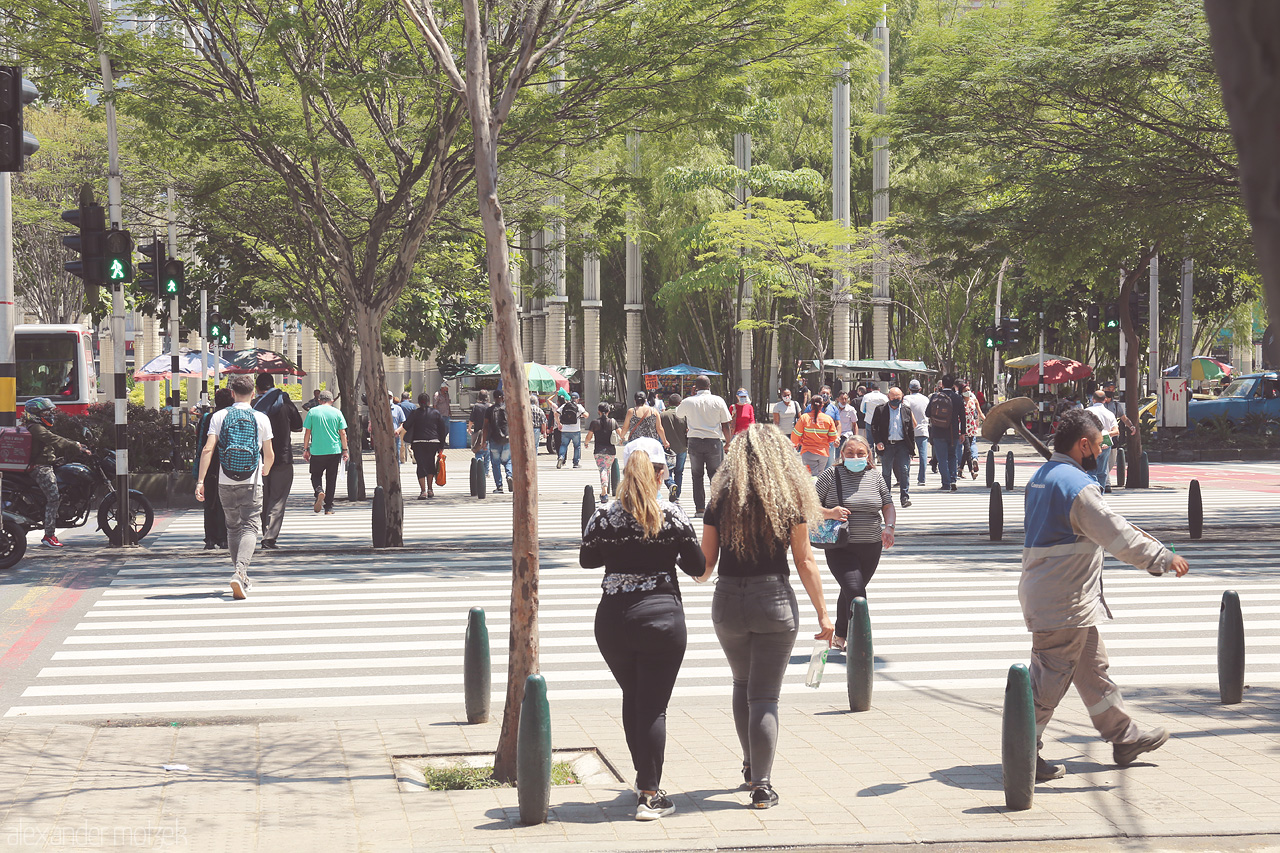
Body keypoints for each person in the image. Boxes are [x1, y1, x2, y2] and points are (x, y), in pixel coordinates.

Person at [1021, 409, 1190, 782]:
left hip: (1059, 595)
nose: (1102, 451)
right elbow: (1118, 534)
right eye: (1100, 445)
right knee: (1048, 682)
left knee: (1092, 670)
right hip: (1064, 602)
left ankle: (1124, 737)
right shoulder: (1077, 487)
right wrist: (1163, 558)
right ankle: (1021, 751)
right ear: (1084, 445)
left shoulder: (1043, 477)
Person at [697, 425, 834, 809]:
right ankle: (762, 785)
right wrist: (824, 614)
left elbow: (705, 565)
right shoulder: (788, 499)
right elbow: (805, 560)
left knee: (742, 683)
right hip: (773, 599)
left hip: (727, 601)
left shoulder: (720, 499)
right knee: (765, 696)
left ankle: (748, 766)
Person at [580, 437, 704, 821]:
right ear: (660, 474)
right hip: (661, 617)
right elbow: (697, 566)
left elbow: (588, 560)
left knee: (633, 696)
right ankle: (649, 794)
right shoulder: (672, 514)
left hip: (614, 619)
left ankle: (642, 778)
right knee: (653, 706)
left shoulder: (604, 515)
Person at [196, 374, 274, 600]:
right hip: (252, 479)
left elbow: (208, 449)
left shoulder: (219, 416)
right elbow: (269, 453)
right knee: (250, 526)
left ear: (231, 394)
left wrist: (200, 481)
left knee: (232, 527)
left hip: (225, 479)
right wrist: (265, 470)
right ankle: (240, 572)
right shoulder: (261, 417)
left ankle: (240, 573)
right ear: (253, 394)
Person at [813, 436, 895, 650]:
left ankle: (840, 635)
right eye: (850, 453)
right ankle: (860, 641)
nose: (855, 457)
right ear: (842, 455)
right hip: (840, 547)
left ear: (868, 454)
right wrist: (830, 512)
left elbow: (887, 505)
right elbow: (808, 504)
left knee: (849, 591)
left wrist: (889, 528)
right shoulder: (831, 475)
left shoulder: (875, 477)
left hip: (871, 546)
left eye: (860, 453)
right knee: (856, 593)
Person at [21, 397, 90, 549]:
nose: (49, 415)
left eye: (49, 411)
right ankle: (49, 535)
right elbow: (54, 440)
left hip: (46, 464)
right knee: (53, 498)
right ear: (35, 413)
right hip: (40, 468)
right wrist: (75, 445)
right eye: (45, 412)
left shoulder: (37, 426)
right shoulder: (35, 428)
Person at [253, 373, 303, 550]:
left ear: (257, 388)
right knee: (278, 499)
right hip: (282, 457)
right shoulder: (286, 404)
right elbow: (298, 425)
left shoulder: (254, 406)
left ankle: (265, 530)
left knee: (263, 498)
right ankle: (269, 537)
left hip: (259, 459)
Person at [674, 375, 732, 518]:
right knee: (715, 475)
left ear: (695, 387)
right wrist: (729, 442)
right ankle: (716, 507)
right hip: (713, 441)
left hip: (694, 442)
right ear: (709, 385)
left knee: (697, 476)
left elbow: (678, 414)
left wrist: (691, 396)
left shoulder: (689, 401)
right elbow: (726, 424)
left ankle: (700, 509)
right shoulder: (718, 400)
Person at [195, 388, 234, 549]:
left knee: (209, 502)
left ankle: (210, 538)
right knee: (226, 503)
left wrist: (199, 475)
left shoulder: (208, 417)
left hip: (210, 464)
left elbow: (201, 443)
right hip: (229, 464)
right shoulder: (233, 416)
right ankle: (224, 537)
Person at [302, 389, 348, 515]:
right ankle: (329, 507)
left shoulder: (312, 412)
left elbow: (307, 432)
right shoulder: (337, 413)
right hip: (334, 450)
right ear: (332, 401)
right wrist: (345, 450)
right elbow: (343, 433)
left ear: (319, 400)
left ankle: (319, 491)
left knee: (316, 475)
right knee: (331, 478)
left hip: (317, 450)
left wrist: (306, 449)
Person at [870, 387, 916, 508]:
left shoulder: (906, 410)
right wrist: (878, 442)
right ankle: (886, 498)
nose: (896, 400)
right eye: (893, 397)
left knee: (905, 470)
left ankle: (904, 497)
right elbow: (874, 427)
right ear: (888, 397)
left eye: (898, 398)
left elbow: (910, 430)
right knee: (886, 472)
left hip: (902, 445)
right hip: (887, 445)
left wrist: (912, 448)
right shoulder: (880, 409)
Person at [925, 374, 966, 492]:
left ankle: (946, 482)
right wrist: (962, 433)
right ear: (953, 384)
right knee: (952, 456)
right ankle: (953, 479)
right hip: (953, 433)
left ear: (942, 384)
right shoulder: (958, 398)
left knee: (942, 458)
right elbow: (963, 417)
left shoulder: (935, 397)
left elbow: (927, 413)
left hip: (938, 432)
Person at [404, 392, 447, 499]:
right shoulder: (436, 413)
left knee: (421, 465)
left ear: (418, 402)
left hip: (418, 442)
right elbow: (443, 430)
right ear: (429, 402)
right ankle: (430, 489)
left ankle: (423, 491)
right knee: (430, 464)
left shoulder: (415, 413)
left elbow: (406, 425)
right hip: (433, 442)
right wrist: (441, 446)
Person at [790, 396, 839, 476]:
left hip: (808, 452)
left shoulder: (804, 418)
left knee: (811, 477)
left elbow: (796, 435)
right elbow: (833, 437)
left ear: (811, 406)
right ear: (822, 405)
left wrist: (796, 444)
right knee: (819, 476)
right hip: (823, 454)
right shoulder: (828, 419)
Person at [1086, 389, 1121, 493]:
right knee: (1102, 471)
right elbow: (1116, 431)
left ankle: (1092, 493)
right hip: (1106, 444)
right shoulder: (1109, 414)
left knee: (1091, 470)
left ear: (1093, 399)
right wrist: (1105, 434)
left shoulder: (1087, 412)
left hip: (1091, 443)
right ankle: (1100, 493)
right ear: (1105, 400)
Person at [585, 403, 622, 502]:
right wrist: (622, 440)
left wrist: (586, 443)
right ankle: (604, 491)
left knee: (603, 470)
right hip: (611, 452)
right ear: (609, 411)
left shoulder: (594, 423)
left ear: (599, 411)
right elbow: (621, 434)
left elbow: (589, 436)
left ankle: (604, 492)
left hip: (599, 451)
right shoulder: (613, 422)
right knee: (606, 469)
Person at [483, 389, 512, 493]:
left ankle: (499, 487)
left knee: (495, 464)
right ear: (503, 397)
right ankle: (509, 475)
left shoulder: (489, 410)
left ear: (494, 398)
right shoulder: (508, 409)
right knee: (508, 460)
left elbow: (485, 427)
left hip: (494, 440)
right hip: (507, 440)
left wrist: (483, 442)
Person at [903, 379, 931, 487]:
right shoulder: (925, 399)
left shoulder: (906, 398)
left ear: (909, 389)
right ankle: (922, 479)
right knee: (923, 455)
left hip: (909, 430)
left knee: (907, 455)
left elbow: (905, 411)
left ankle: (906, 477)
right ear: (920, 389)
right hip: (923, 429)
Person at [661, 394, 688, 502]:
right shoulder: (684, 415)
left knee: (667, 471)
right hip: (682, 448)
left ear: (668, 403)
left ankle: (671, 484)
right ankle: (677, 495)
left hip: (667, 449)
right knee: (679, 471)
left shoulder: (662, 415)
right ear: (680, 403)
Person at [556, 391, 590, 469]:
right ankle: (575, 463)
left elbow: (556, 414)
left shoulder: (564, 405)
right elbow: (586, 415)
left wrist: (558, 423)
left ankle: (561, 457)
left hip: (565, 430)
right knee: (577, 446)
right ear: (577, 399)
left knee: (563, 445)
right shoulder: (579, 406)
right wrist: (581, 414)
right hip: (575, 430)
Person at [960, 382, 984, 479]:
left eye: (969, 390)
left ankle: (960, 469)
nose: (967, 392)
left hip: (972, 427)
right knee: (969, 450)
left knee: (966, 451)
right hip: (962, 427)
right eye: (965, 391)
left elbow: (980, 412)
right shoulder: (960, 402)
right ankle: (972, 471)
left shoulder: (974, 400)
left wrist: (986, 420)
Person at [468, 390, 491, 485]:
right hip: (488, 433)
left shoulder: (476, 406)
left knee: (478, 451)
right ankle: (485, 472)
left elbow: (471, 419)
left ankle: (478, 470)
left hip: (477, 432)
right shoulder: (490, 406)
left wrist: (469, 428)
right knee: (487, 453)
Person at [398, 392, 419, 463]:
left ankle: (402, 459)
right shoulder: (413, 406)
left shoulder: (399, 405)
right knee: (410, 442)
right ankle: (413, 456)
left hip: (402, 426)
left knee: (401, 443)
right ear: (408, 397)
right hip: (411, 427)